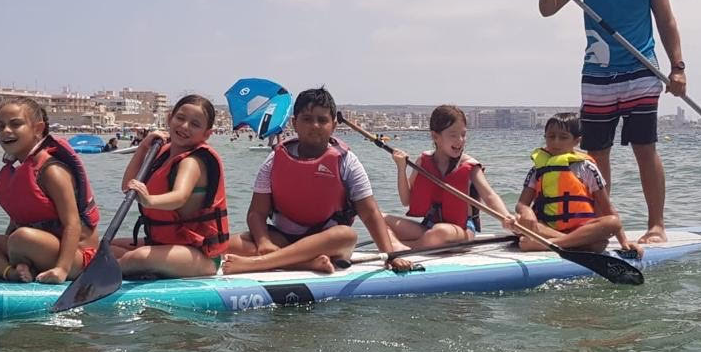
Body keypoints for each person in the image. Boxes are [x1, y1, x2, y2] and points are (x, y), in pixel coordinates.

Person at [539, 0, 687, 243]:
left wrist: (678, 67)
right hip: (598, 74)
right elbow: (548, 8)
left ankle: (656, 225)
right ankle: (600, 226)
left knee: (644, 148)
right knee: (596, 154)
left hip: (641, 70)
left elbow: (666, 20)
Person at [222, 86, 414, 275]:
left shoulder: (347, 162)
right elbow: (257, 212)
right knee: (223, 245)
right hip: (283, 239)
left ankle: (260, 262)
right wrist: (264, 242)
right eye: (307, 119)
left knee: (346, 235)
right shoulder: (273, 161)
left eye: (322, 120)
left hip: (327, 243)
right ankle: (305, 264)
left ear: (333, 125)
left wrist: (391, 255)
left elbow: (370, 213)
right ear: (295, 123)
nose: (315, 126)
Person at [0, 98, 103, 283]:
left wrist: (62, 269)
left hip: (75, 257)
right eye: (0, 126)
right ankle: (11, 272)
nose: (6, 131)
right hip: (29, 247)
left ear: (38, 129)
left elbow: (72, 224)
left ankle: (27, 266)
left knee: (21, 238)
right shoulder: (18, 170)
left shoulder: (52, 171)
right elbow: (15, 223)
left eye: (16, 124)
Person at [106, 94, 230, 279]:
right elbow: (127, 186)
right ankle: (139, 270)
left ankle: (100, 275)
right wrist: (143, 147)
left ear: (206, 134)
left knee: (138, 257)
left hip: (198, 254)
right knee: (106, 247)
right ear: (169, 118)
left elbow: (179, 196)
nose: (184, 126)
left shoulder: (193, 161)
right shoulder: (162, 154)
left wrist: (149, 200)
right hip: (164, 244)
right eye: (180, 118)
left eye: (195, 124)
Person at [383, 104, 511, 249]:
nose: (460, 140)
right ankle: (403, 245)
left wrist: (505, 216)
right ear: (435, 136)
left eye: (463, 134)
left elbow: (489, 196)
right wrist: (401, 169)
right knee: (379, 218)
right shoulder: (423, 161)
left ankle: (400, 247)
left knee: (440, 232)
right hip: (429, 227)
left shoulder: (470, 166)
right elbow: (406, 200)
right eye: (453, 135)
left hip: (461, 230)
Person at [506, 113, 637, 255]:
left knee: (613, 222)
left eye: (563, 137)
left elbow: (607, 207)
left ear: (577, 141)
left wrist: (624, 242)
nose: (556, 142)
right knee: (518, 221)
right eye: (551, 137)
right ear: (545, 138)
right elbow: (521, 204)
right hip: (546, 227)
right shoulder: (537, 169)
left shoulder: (587, 168)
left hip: (581, 229)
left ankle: (549, 244)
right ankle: (577, 244)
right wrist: (527, 212)